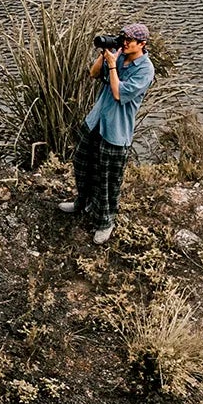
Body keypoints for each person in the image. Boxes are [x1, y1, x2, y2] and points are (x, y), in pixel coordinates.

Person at [59, 23, 154, 244]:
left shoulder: (145, 69)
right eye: (124, 38)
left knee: (108, 179)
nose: (125, 42)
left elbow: (119, 93)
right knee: (82, 163)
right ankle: (82, 202)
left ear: (142, 44)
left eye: (130, 40)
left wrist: (112, 67)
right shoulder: (119, 56)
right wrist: (106, 56)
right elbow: (93, 74)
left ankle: (105, 222)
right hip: (95, 121)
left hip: (116, 131)